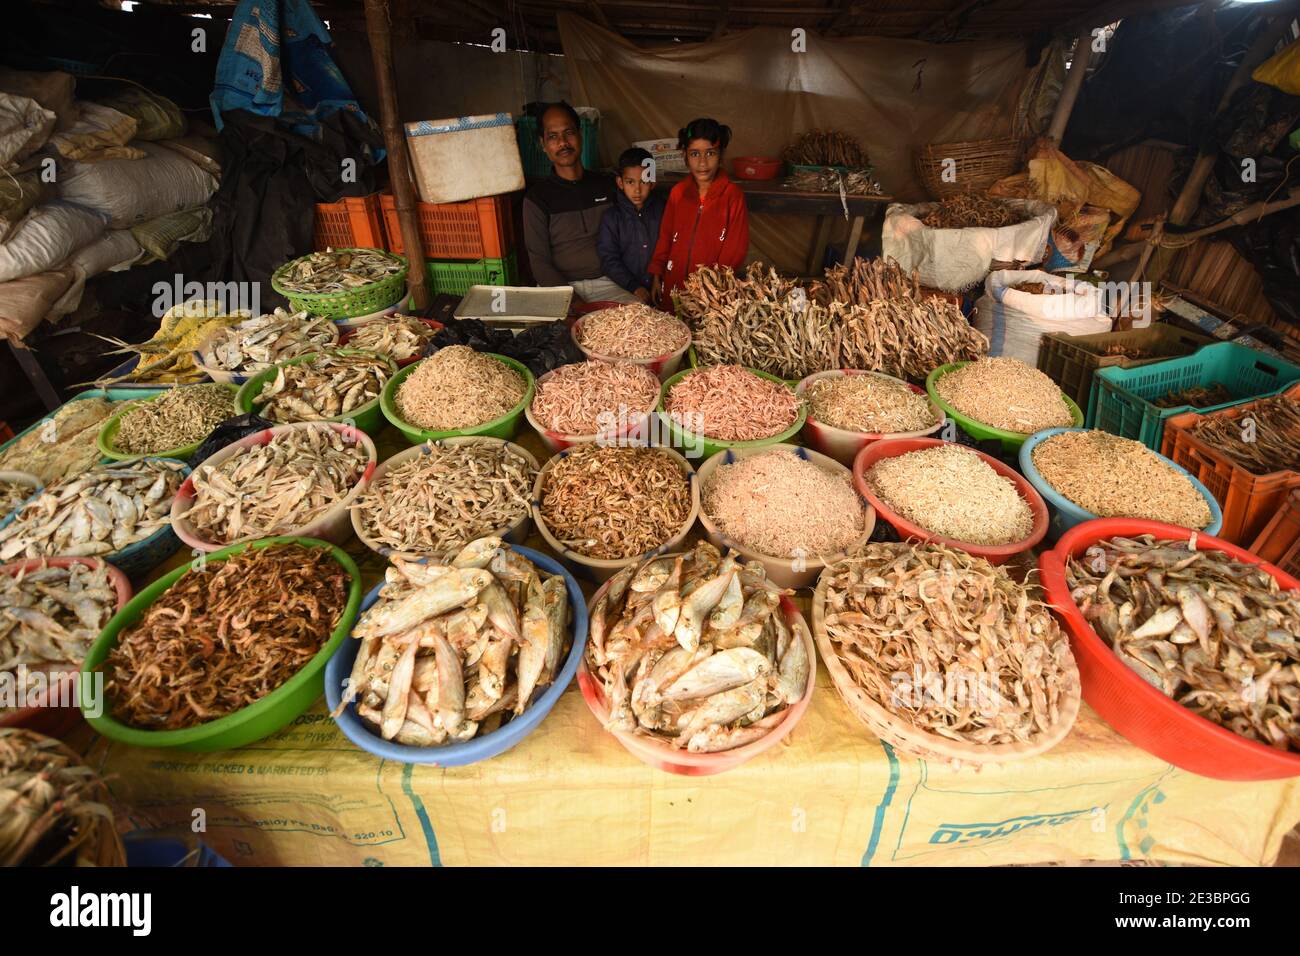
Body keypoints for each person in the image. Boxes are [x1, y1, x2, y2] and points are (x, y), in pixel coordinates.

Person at [521, 101, 638, 304]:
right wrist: (574, 301)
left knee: (645, 321)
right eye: (553, 136)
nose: (563, 142)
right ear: (543, 144)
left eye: (569, 132)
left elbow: (634, 232)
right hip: (558, 288)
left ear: (580, 134)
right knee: (553, 335)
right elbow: (539, 263)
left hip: (609, 283)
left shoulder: (607, 185)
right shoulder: (537, 198)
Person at [648, 118, 749, 311]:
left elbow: (735, 251)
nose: (702, 162)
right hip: (673, 285)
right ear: (685, 156)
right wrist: (657, 274)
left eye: (710, 153)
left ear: (721, 156)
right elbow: (666, 237)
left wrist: (713, 289)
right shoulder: (678, 193)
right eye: (695, 154)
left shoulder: (732, 196)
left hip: (711, 295)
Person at [597, 147, 667, 304]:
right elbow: (609, 259)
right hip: (626, 289)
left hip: (662, 284)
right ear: (620, 182)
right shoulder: (612, 218)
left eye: (644, 181)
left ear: (653, 182)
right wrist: (634, 287)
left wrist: (659, 276)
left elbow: (670, 247)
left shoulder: (664, 210)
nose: (637, 190)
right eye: (630, 182)